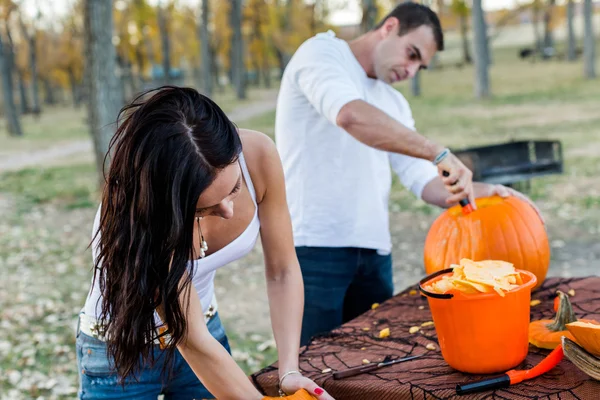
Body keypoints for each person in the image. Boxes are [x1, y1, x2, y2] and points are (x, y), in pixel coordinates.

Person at [274, 3, 541, 346]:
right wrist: (438, 152)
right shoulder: (321, 53)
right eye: (411, 54)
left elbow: (425, 183)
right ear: (389, 27)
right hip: (313, 249)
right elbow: (350, 116)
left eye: (421, 65)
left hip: (375, 255)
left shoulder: (393, 103)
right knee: (314, 370)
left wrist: (490, 191)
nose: (412, 70)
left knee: (370, 368)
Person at [75, 86, 333, 400]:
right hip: (122, 350)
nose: (228, 210)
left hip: (206, 329)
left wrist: (289, 370)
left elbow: (282, 270)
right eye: (203, 208)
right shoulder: (138, 211)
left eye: (235, 188)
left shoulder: (259, 155)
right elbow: (190, 338)